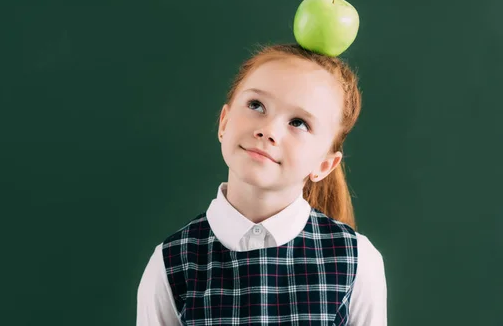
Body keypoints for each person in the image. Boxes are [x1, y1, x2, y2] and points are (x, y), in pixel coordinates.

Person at [137, 43, 387, 325]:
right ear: (224, 122)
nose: (268, 130)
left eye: (299, 122)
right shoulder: (171, 263)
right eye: (256, 105)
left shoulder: (357, 261)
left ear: (324, 165)